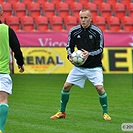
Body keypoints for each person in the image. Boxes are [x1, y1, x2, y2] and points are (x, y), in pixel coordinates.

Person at [50, 8, 111, 121]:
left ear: (90, 19)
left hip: (94, 66)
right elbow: (69, 46)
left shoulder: (97, 31)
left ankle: (105, 113)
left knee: (99, 88)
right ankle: (62, 112)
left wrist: (90, 54)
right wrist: (70, 56)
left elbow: (101, 49)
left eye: (85, 18)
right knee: (66, 86)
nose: (83, 20)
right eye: (81, 18)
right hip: (79, 67)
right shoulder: (74, 31)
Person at [0, 4, 24, 133]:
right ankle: (0, 129)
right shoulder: (7, 30)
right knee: (3, 99)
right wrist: (20, 63)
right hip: (2, 71)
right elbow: (16, 49)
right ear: (2, 12)